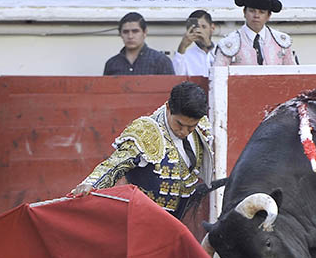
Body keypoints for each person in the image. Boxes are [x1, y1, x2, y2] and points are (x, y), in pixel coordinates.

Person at [71, 81, 213, 219]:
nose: (184, 132)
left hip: (179, 218)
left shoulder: (200, 128)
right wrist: (91, 183)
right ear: (168, 108)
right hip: (143, 219)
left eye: (191, 127)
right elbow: (115, 164)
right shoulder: (146, 131)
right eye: (179, 124)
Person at [213, 0, 295, 66]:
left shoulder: (281, 42)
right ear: (244, 12)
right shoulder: (229, 43)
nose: (256, 16)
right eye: (252, 11)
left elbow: (293, 73)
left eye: (262, 12)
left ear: (268, 16)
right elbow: (218, 74)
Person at [103, 12, 174, 75]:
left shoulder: (161, 61)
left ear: (145, 32)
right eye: (125, 32)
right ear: (120, 34)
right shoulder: (112, 64)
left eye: (135, 31)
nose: (130, 36)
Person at [172, 10, 216, 76]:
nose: (199, 31)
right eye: (195, 28)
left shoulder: (222, 51)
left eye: (203, 27)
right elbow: (176, 77)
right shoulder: (185, 56)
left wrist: (208, 45)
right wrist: (182, 47)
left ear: (212, 28)